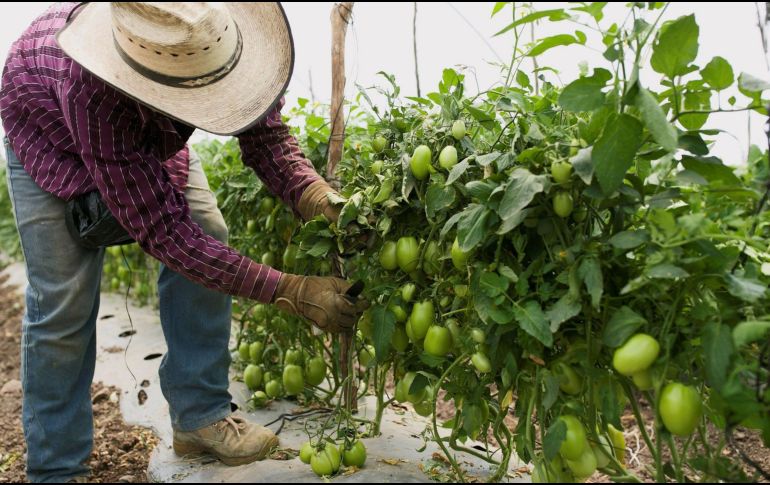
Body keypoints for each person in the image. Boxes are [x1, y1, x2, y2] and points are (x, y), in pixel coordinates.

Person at [0, 3, 367, 482]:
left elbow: (266, 138)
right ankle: (57, 468)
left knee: (208, 228)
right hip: (47, 133)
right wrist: (291, 291)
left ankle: (200, 415)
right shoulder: (93, 83)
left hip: (140, 134)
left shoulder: (220, 43)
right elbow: (166, 233)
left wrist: (316, 197)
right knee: (62, 303)